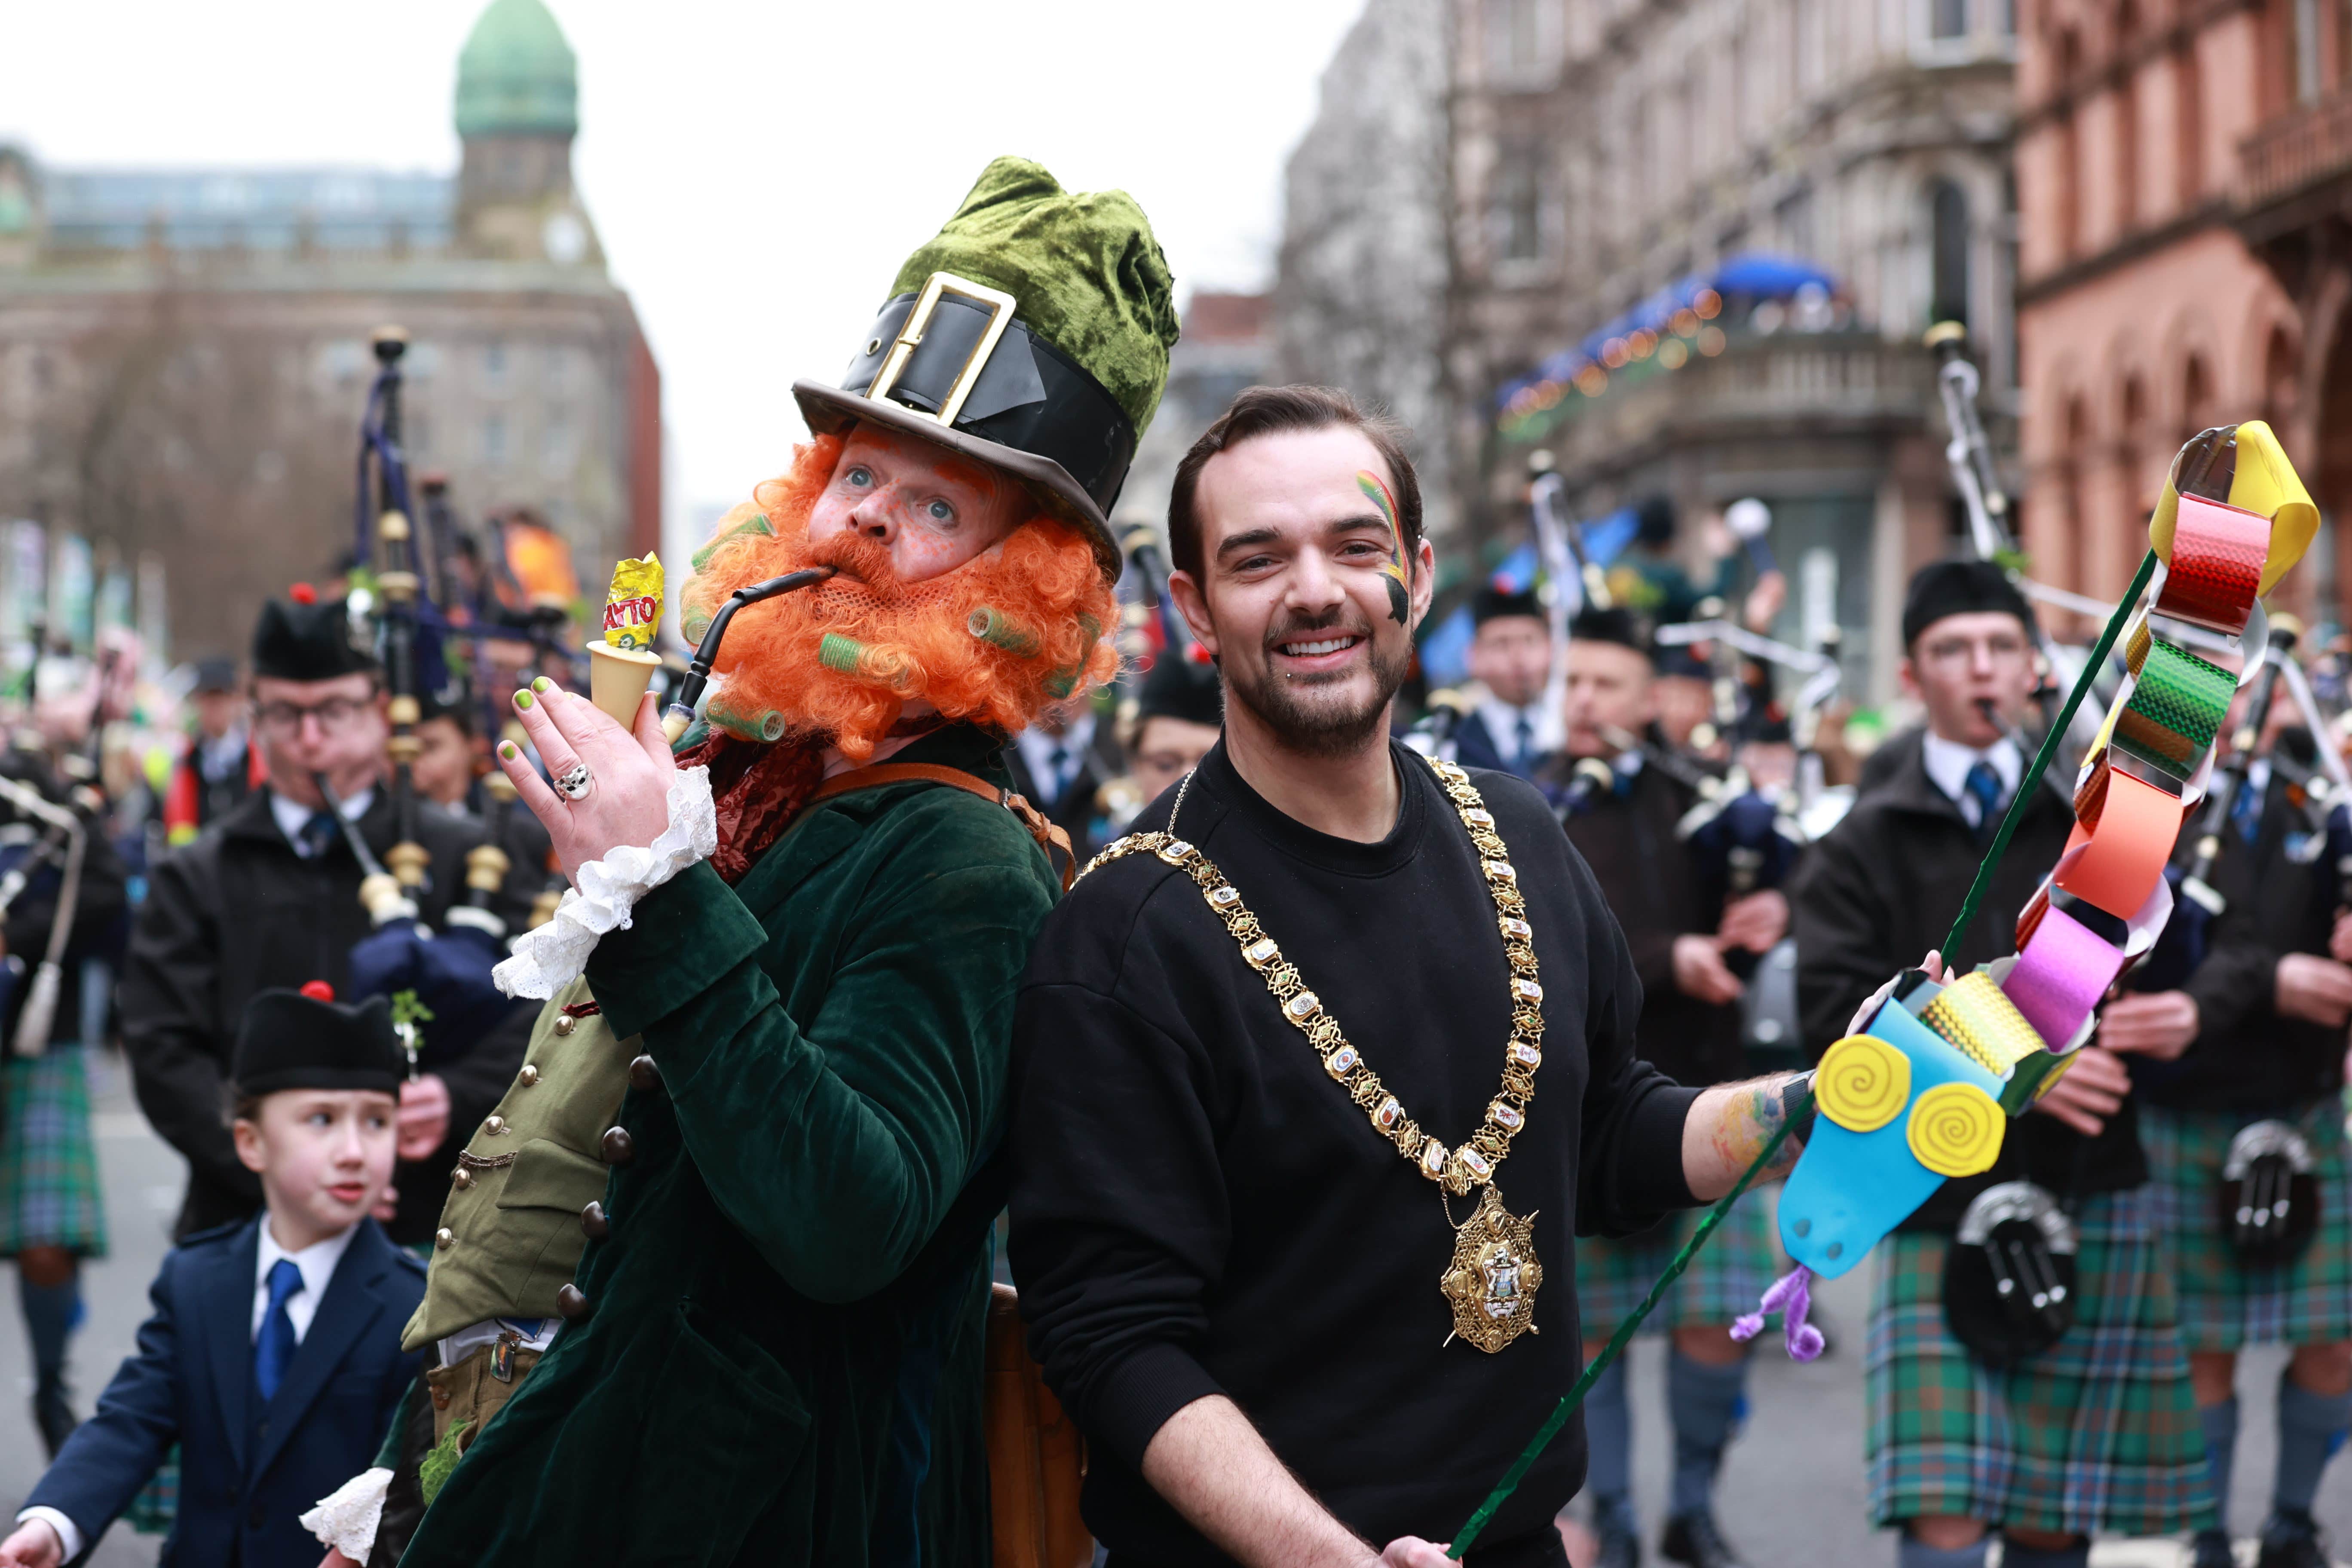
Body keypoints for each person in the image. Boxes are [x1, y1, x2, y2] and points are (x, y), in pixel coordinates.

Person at [380, 155, 1170, 1568]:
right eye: (858, 472)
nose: (868, 516)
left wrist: (660, 894)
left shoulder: (968, 860)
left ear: (1021, 584)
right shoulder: (751, 772)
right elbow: (555, 1174)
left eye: (937, 505)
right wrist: (400, 1481)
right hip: (536, 1467)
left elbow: (849, 1218)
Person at [1007, 384, 1822, 1567]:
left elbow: (1606, 1136)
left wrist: (1812, 1098)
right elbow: (1112, 1334)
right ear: (1193, 609)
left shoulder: (1523, 834)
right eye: (1257, 559)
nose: (1317, 591)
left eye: (1355, 546)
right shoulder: (1128, 931)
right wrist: (1324, 1558)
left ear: (1418, 574)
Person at [1790, 559, 2213, 1568]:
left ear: (2035, 666)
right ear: (1908, 675)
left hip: (2087, 1192)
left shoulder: (2092, 817)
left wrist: (2164, 1006)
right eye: (1949, 650)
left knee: (2050, 1512)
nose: (1978, 668)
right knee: (1941, 1511)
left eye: (1999, 646)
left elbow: (2171, 956)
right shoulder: (1860, 842)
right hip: (1932, 1198)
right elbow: (1833, 1023)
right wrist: (2029, 1075)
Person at [119, 588, 538, 1246]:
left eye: (334, 711)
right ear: (256, 718)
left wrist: (456, 1094)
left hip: (432, 1223)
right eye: (286, 714)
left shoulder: (462, 857)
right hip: (244, 1223)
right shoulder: (199, 874)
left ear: (379, 711)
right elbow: (162, 1048)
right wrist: (277, 1165)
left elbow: (537, 1006)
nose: (309, 740)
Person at [0, 984, 425, 1568]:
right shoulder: (197, 1278)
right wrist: (54, 1522)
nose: (354, 1151)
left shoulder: (417, 1303)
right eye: (321, 1119)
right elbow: (133, 1420)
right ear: (251, 1143)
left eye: (377, 1122)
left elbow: (406, 1478)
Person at [1540, 607, 1789, 1568]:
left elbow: (1759, 892)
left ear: (1650, 701)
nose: (1585, 702)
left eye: (1606, 685)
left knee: (1717, 1331)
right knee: (1590, 1344)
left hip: (1706, 1097)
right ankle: (1615, 1518)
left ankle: (1692, 1504)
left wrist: (1770, 902)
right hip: (1588, 1110)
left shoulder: (1694, 798)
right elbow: (1559, 941)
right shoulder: (1533, 801)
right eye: (1574, 683)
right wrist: (1666, 956)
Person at [2107, 710, 2352, 1568]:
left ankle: (2291, 1520)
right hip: (2193, 1101)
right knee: (2202, 1350)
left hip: (2303, 1096)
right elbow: (2181, 942)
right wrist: (2272, 979)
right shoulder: (2136, 797)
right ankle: (2206, 1530)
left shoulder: (2313, 799)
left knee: (2337, 1338)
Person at [0, 745, 130, 1458]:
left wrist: (12, 938)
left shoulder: (31, 787)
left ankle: (50, 1384)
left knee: (46, 1245)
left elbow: (105, 889)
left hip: (32, 1042)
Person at [1446, 585, 1559, 779]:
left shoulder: (1572, 730)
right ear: (1474, 657)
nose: (1518, 657)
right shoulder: (1452, 741)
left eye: (1530, 641)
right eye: (1501, 644)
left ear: (1552, 649)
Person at [1008, 696, 1124, 861]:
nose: (1056, 690)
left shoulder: (1125, 746)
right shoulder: (991, 752)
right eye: (1041, 673)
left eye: (1070, 673)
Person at [162, 658, 259, 847]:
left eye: (221, 700)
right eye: (208, 701)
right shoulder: (187, 760)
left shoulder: (255, 758)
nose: (215, 709)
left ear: (236, 701)